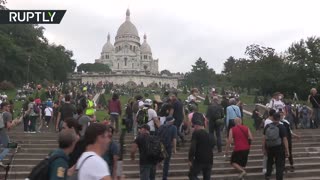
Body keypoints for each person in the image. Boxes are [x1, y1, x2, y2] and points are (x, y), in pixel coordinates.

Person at [263, 112, 289, 180]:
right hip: (279, 148)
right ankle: (279, 178)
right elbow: (285, 139)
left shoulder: (267, 126)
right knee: (279, 164)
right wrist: (287, 150)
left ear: (272, 118)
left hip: (269, 147)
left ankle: (268, 175)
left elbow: (264, 139)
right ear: (279, 118)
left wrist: (263, 148)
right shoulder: (281, 127)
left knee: (269, 162)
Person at [262, 109, 276, 173]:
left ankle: (271, 168)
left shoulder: (268, 121)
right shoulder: (268, 121)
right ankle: (265, 168)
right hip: (269, 140)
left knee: (271, 155)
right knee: (267, 155)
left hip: (270, 140)